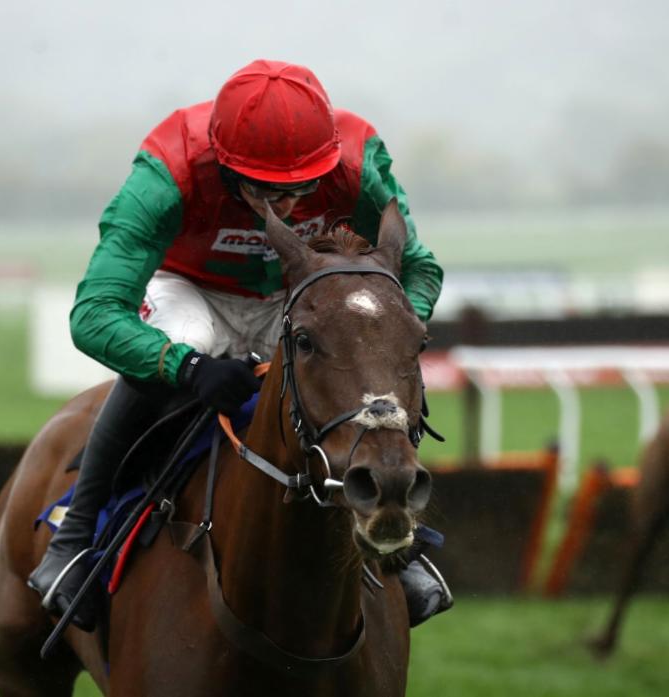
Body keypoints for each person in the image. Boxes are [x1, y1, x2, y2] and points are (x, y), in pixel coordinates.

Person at [28, 59, 449, 632]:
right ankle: (75, 536)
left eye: (303, 187)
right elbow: (95, 313)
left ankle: (402, 543)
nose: (288, 205)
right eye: (265, 190)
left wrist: (387, 332)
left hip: (295, 297)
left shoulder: (357, 162)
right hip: (188, 289)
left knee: (354, 356)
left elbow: (418, 268)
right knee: (192, 338)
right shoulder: (168, 170)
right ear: (224, 165)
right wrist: (188, 367)